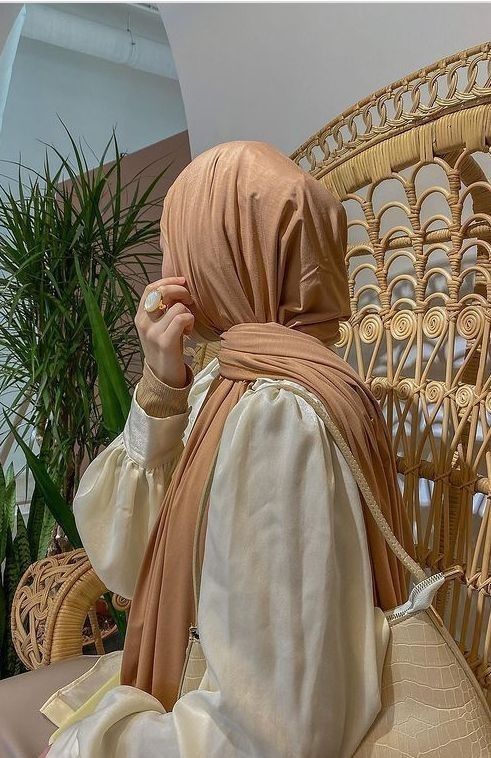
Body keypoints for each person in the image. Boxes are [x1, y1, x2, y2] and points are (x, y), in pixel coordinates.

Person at [0, 140, 415, 758]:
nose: (170, 269)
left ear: (228, 254)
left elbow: (272, 730)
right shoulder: (247, 384)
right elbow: (129, 549)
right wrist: (161, 385)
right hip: (205, 681)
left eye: (182, 244)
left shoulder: (274, 416)